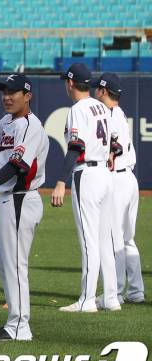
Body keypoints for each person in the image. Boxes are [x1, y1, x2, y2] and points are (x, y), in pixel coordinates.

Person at [51, 64, 122, 313]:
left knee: (89, 241)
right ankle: (111, 297)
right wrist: (111, 154)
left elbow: (75, 147)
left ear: (71, 83)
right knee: (104, 240)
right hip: (105, 173)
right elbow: (115, 141)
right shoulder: (101, 106)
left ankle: (87, 300)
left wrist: (61, 180)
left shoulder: (78, 109)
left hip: (88, 174)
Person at [0, 74, 48, 341]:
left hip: (22, 197)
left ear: (28, 96)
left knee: (15, 263)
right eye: (4, 92)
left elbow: (15, 165)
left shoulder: (30, 125)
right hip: (9, 199)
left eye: (13, 92)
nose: (7, 97)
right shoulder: (8, 121)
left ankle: (20, 325)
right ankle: (15, 321)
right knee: (3, 260)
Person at [92, 73, 145, 304]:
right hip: (129, 180)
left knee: (115, 238)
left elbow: (115, 148)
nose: (95, 92)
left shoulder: (109, 113)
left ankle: (117, 293)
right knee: (127, 239)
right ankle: (136, 291)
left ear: (104, 91)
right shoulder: (119, 112)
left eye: (98, 89)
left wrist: (110, 154)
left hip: (117, 180)